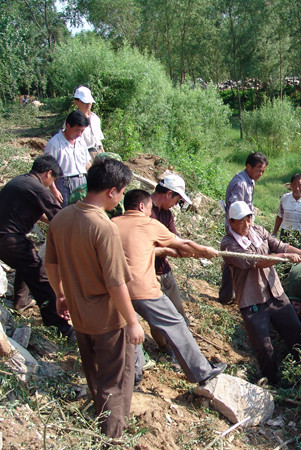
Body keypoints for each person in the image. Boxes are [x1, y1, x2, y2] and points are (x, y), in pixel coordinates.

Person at [45, 158, 145, 439]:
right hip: (108, 320)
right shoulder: (105, 227)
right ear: (112, 191)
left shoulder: (61, 218)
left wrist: (60, 295)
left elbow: (50, 265)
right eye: (123, 192)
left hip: (79, 316)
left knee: (96, 377)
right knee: (116, 382)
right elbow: (116, 282)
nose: (122, 198)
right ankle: (112, 438)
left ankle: (102, 425)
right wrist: (133, 321)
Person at [112, 189, 226, 386]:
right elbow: (184, 242)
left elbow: (137, 249)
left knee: (128, 330)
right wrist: (205, 251)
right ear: (141, 206)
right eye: (149, 208)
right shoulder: (148, 223)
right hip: (144, 290)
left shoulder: (112, 224)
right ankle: (202, 372)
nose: (150, 211)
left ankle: (134, 372)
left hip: (117, 291)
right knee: (175, 324)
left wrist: (166, 251)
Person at [221, 201, 301, 385]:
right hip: (252, 302)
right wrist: (283, 258)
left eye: (249, 219)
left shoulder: (258, 231)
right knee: (264, 347)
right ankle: (273, 384)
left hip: (275, 294)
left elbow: (282, 246)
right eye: (241, 221)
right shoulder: (228, 244)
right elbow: (255, 261)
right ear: (231, 222)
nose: (247, 225)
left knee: (298, 335)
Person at [0, 155, 74, 340]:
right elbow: (59, 216)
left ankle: (20, 301)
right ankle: (59, 326)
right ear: (48, 173)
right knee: (40, 276)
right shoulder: (38, 188)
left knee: (28, 260)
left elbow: (44, 214)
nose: (51, 184)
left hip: (5, 237)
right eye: (52, 181)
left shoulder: (20, 181)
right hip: (9, 239)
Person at [150, 175, 194, 353]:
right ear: (169, 194)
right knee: (159, 318)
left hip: (164, 271)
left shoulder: (166, 214)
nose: (176, 204)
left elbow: (174, 240)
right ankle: (165, 349)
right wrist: (172, 249)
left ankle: (182, 348)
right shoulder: (144, 211)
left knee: (178, 314)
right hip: (148, 274)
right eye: (177, 199)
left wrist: (189, 249)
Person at [219, 152, 268, 304]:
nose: (260, 173)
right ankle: (230, 295)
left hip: (243, 226)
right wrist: (244, 229)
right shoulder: (241, 183)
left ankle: (228, 294)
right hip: (238, 228)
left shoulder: (249, 181)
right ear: (248, 166)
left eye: (263, 170)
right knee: (237, 259)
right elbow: (237, 210)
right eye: (258, 169)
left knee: (233, 260)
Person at [44, 110, 91, 207]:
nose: (79, 134)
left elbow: (87, 163)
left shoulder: (81, 142)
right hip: (64, 184)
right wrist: (54, 190)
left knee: (83, 212)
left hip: (82, 181)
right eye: (77, 130)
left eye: (82, 131)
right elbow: (48, 170)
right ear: (68, 126)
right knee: (67, 212)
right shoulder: (54, 144)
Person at [72, 86, 104, 158]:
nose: (89, 104)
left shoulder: (95, 118)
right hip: (83, 154)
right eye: (85, 102)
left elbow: (99, 141)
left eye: (89, 101)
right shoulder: (73, 120)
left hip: (98, 153)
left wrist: (103, 153)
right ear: (76, 102)